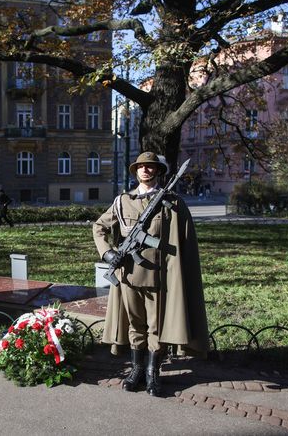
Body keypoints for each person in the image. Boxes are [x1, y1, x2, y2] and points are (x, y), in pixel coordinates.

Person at [93, 151, 209, 396]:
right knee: (135, 324)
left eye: (150, 167)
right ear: (136, 171)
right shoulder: (123, 201)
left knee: (156, 326)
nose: (145, 170)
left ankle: (152, 373)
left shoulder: (171, 202)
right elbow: (99, 227)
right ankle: (136, 370)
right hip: (129, 274)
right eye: (141, 167)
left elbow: (183, 239)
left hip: (158, 275)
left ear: (158, 171)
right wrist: (108, 253)